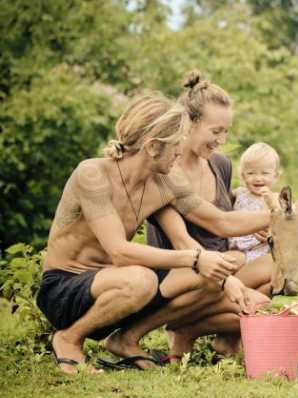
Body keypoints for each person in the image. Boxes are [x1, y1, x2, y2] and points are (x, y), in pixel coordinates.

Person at [38, 93, 271, 374]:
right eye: (176, 143)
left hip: (118, 288)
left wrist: (283, 218)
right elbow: (119, 251)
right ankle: (68, 339)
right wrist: (196, 259)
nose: (180, 149)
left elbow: (221, 222)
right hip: (65, 289)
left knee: (211, 273)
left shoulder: (165, 181)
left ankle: (125, 339)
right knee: (143, 278)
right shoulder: (92, 175)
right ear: (152, 146)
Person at [147, 71, 275, 360]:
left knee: (274, 271)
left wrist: (255, 232)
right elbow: (203, 231)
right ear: (190, 123)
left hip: (222, 265)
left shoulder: (220, 164)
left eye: (226, 131)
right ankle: (184, 330)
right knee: (259, 306)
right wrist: (280, 215)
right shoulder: (167, 169)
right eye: (216, 131)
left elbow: (229, 218)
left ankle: (221, 341)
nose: (222, 139)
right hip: (185, 273)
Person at [229, 142, 281, 262]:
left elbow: (280, 217)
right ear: (242, 176)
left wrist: (271, 203)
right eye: (251, 173)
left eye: (265, 173)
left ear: (276, 176)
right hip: (234, 246)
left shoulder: (274, 198)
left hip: (257, 251)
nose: (258, 178)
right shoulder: (239, 193)